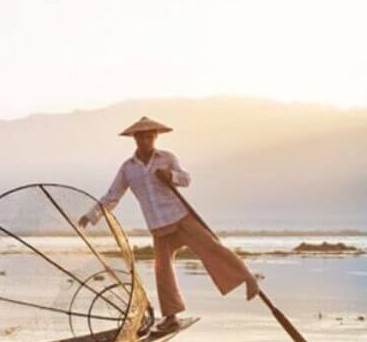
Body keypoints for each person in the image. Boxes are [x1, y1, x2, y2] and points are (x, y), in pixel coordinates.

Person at [79, 116, 258, 330]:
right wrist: (91, 216)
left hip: (181, 217)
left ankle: (248, 278)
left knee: (211, 248)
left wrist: (170, 176)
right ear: (135, 139)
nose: (144, 141)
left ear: (154, 137)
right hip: (158, 225)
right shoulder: (128, 168)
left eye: (148, 137)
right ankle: (171, 317)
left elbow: (186, 179)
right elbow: (113, 195)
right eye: (140, 138)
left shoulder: (167, 158)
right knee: (162, 271)